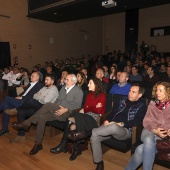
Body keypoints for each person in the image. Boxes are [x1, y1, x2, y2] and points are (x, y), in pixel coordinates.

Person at [13, 74, 83, 155]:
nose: (64, 81)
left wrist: (66, 109)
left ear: (73, 81)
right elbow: (58, 100)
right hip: (57, 110)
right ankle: (38, 144)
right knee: (42, 117)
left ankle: (27, 122)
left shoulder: (78, 91)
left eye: (67, 79)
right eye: (65, 79)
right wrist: (54, 108)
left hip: (67, 113)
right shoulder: (63, 88)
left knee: (48, 104)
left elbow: (78, 105)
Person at [91, 84, 147, 170]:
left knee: (111, 127)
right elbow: (112, 112)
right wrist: (107, 120)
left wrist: (121, 124)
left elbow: (137, 121)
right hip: (110, 126)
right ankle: (99, 162)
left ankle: (90, 131)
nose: (130, 93)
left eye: (133, 92)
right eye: (130, 91)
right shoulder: (122, 100)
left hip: (125, 130)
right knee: (94, 137)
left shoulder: (142, 106)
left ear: (139, 95)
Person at [50, 78, 106, 161]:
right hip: (85, 116)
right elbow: (86, 109)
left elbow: (97, 110)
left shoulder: (102, 95)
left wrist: (89, 107)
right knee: (71, 125)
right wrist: (93, 106)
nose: (88, 85)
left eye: (90, 83)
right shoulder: (89, 95)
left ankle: (65, 145)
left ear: (96, 85)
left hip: (94, 118)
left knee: (72, 116)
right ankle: (75, 148)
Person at [125, 81, 170, 170]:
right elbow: (146, 121)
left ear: (168, 92)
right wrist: (155, 130)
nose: (157, 93)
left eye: (160, 90)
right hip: (148, 131)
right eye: (157, 90)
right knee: (149, 139)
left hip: (161, 136)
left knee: (140, 149)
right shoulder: (152, 104)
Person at [10, 74, 59, 143]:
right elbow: (34, 95)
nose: (45, 81)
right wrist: (42, 96)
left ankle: (16, 109)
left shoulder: (54, 89)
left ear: (52, 81)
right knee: (21, 112)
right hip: (38, 107)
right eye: (45, 79)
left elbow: (46, 101)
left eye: (47, 80)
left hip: (46, 109)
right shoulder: (44, 88)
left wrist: (40, 96)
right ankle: (21, 135)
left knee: (31, 101)